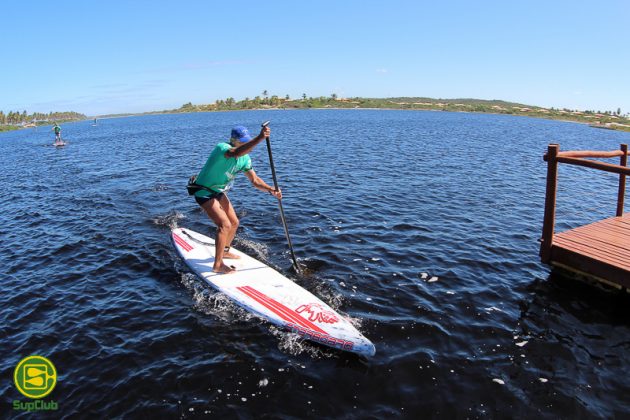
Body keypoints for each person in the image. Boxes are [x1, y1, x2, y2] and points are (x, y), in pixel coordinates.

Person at [193, 124, 282, 274]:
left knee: (234, 222)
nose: (246, 145)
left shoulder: (245, 159)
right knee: (224, 225)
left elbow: (255, 181)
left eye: (247, 141)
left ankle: (225, 251)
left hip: (218, 191)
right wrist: (260, 137)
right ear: (232, 140)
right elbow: (235, 152)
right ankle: (217, 264)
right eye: (243, 142)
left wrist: (271, 190)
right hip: (203, 191)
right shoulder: (222, 148)